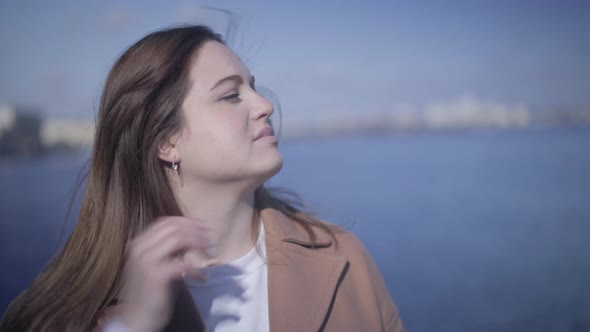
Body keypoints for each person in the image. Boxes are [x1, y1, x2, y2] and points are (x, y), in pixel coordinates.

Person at [0, 25, 405, 332]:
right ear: (167, 142)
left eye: (253, 88)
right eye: (231, 96)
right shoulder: (68, 315)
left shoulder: (344, 258)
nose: (265, 105)